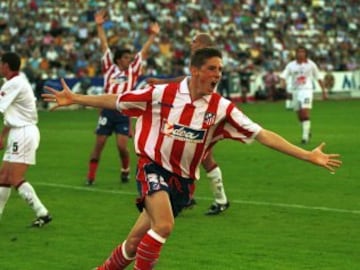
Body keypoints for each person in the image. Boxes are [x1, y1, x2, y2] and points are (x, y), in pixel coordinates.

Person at [43, 47, 341, 270]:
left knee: (135, 242)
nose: (217, 75)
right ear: (195, 70)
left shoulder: (222, 108)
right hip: (152, 165)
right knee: (164, 226)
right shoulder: (164, 93)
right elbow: (119, 101)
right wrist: (77, 99)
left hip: (183, 181)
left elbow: (262, 134)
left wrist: (307, 155)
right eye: (212, 68)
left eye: (220, 70)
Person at [147, 33, 230, 215]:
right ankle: (190, 196)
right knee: (191, 153)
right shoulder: (203, 62)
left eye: (194, 41)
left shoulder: (208, 63)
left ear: (202, 44)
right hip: (197, 111)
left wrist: (161, 82)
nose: (191, 44)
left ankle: (217, 199)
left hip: (205, 112)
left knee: (200, 155)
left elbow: (186, 82)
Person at [86, 10, 160, 185]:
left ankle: (125, 170)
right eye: (126, 58)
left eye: (130, 58)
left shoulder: (133, 71)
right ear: (118, 59)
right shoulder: (109, 68)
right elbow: (104, 45)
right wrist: (99, 26)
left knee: (122, 146)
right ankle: (90, 177)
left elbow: (143, 52)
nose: (130, 60)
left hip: (123, 112)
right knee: (99, 144)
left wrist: (152, 36)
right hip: (107, 110)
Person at [0, 52, 52, 227]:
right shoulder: (16, 81)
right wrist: (2, 135)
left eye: (1, 64)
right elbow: (12, 114)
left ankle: (42, 212)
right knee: (4, 176)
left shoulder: (14, 83)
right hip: (18, 131)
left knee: (15, 177)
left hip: (23, 133)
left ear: (6, 66)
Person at [279, 46, 327, 144]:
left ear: (306, 54)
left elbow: (318, 77)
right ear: (295, 54)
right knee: (299, 116)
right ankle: (307, 130)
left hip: (307, 90)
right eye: (298, 52)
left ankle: (305, 138)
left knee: (305, 113)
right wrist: (282, 83)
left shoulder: (311, 65)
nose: (300, 54)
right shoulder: (291, 65)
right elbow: (284, 76)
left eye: (302, 52)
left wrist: (324, 91)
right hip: (295, 91)